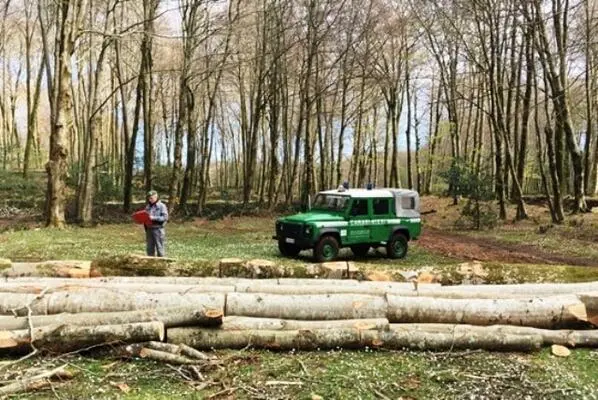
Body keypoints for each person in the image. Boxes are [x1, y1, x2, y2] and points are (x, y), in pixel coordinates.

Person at [145, 190, 169, 257]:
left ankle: (162, 264)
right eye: (149, 198)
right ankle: (150, 264)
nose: (150, 200)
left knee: (160, 248)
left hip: (158, 229)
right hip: (149, 229)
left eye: (151, 198)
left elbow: (165, 218)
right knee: (149, 248)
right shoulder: (148, 206)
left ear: (156, 197)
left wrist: (153, 218)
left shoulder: (162, 206)